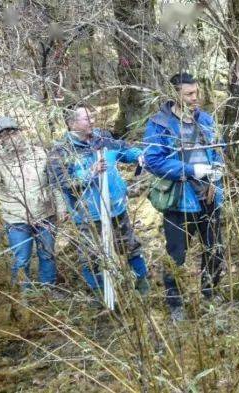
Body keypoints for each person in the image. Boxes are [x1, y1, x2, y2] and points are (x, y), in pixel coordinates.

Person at [143, 72, 225, 322]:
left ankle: (209, 295)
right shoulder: (160, 124)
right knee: (176, 254)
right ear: (174, 95)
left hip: (209, 198)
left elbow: (217, 150)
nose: (195, 98)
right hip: (180, 201)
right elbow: (153, 160)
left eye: (196, 92)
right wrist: (190, 171)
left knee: (214, 250)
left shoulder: (206, 120)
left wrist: (217, 172)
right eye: (188, 94)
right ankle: (175, 302)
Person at [47, 105, 150, 300]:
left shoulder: (102, 138)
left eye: (92, 117)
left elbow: (123, 150)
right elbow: (59, 182)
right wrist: (89, 173)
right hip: (88, 215)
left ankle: (141, 279)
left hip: (115, 208)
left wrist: (138, 155)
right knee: (90, 257)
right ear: (71, 123)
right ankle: (99, 293)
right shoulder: (61, 152)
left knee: (129, 246)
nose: (92, 121)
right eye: (87, 119)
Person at [0, 117, 64, 292]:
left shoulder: (40, 153)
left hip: (45, 213)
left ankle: (48, 290)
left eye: (12, 131)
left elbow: (54, 181)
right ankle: (24, 298)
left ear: (20, 132)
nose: (10, 137)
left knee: (47, 254)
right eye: (2, 135)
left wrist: (62, 206)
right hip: (16, 219)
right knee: (21, 259)